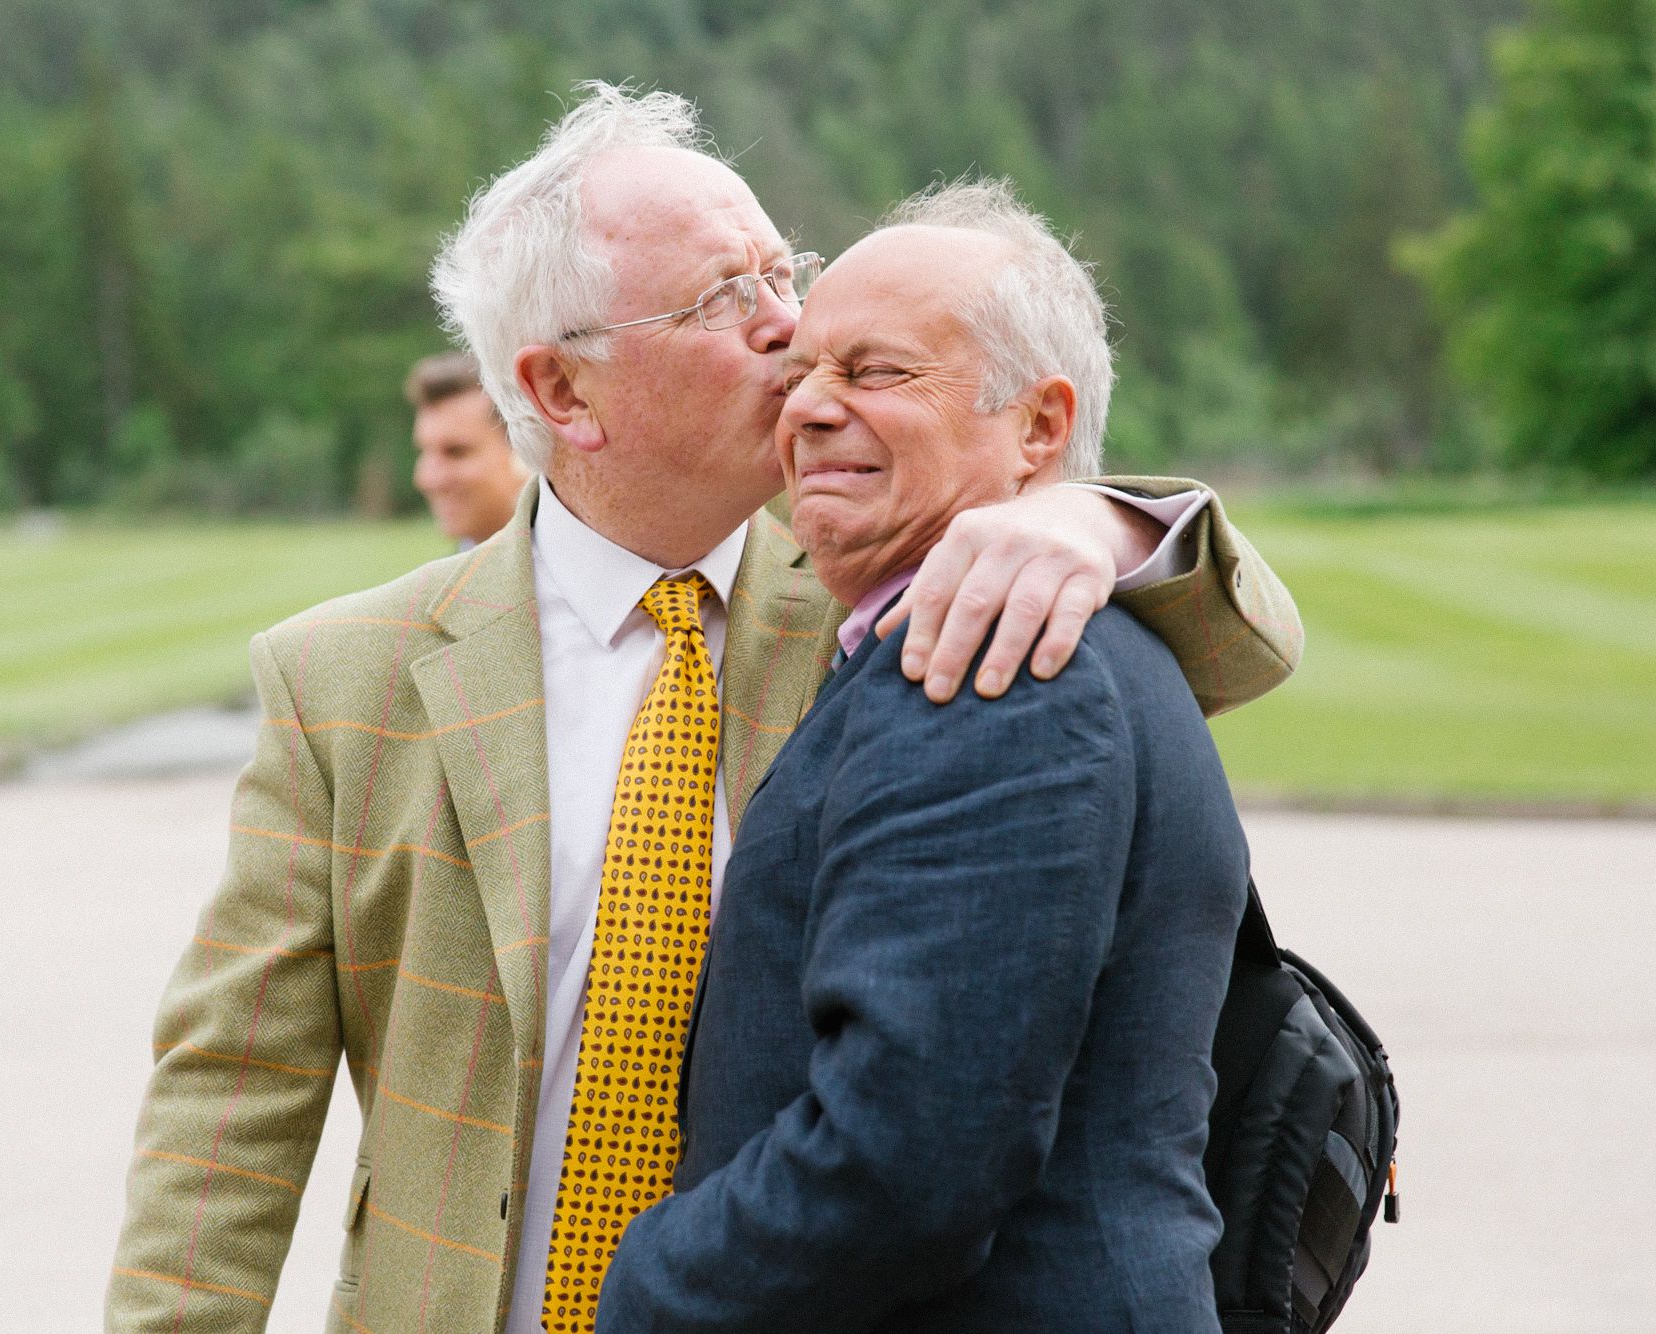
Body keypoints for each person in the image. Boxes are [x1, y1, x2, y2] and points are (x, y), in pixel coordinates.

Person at [105, 85, 1300, 1334]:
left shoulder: (918, 605)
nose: (791, 328)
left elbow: (1232, 649)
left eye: (786, 272)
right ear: (562, 392)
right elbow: (231, 1098)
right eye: (726, 298)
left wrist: (1091, 513)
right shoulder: (345, 679)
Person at [596, 180, 1249, 1332]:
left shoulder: (993, 664)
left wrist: (648, 1290)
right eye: (799, 372)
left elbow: (907, 1158)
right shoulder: (1020, 632)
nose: (805, 409)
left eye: (875, 371)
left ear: (1039, 429)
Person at [408, 350, 531, 548]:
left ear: (524, 451)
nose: (428, 479)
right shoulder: (450, 577)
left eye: (456, 452)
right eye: (424, 452)